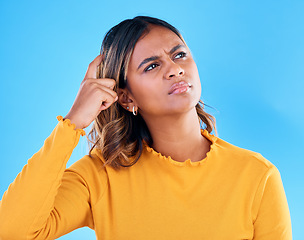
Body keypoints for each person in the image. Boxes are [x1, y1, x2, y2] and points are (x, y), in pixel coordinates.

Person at [0, 16, 292, 240]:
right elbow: (13, 231)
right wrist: (73, 123)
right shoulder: (100, 176)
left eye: (179, 55)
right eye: (151, 66)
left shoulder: (257, 175)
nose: (175, 68)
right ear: (126, 97)